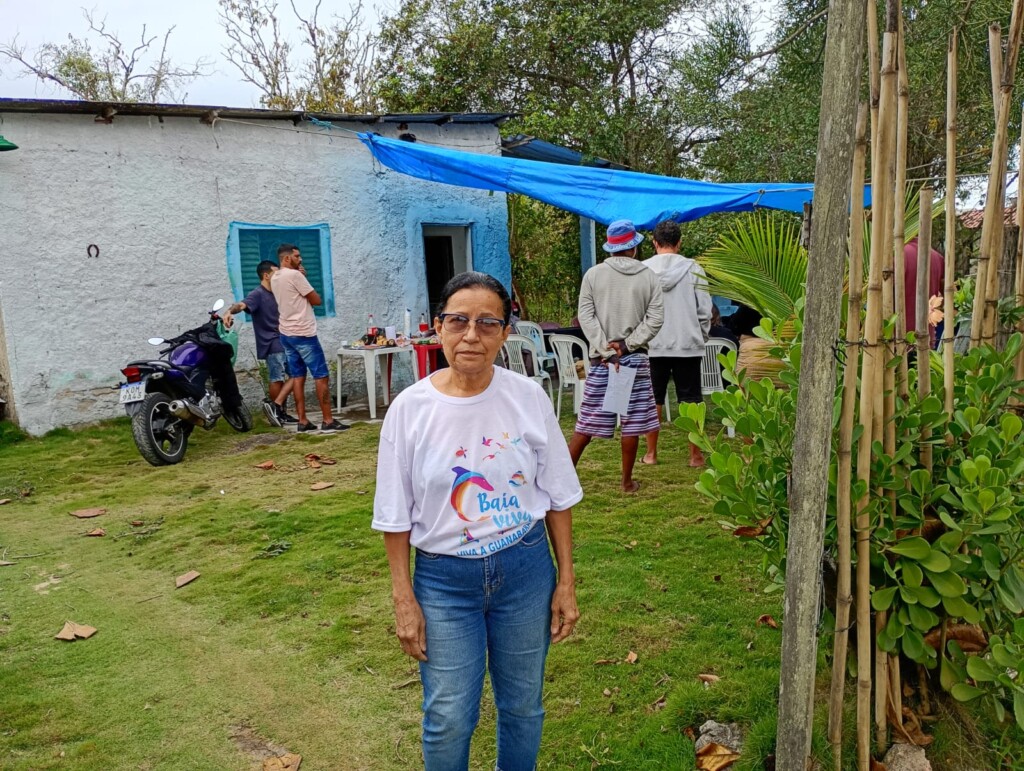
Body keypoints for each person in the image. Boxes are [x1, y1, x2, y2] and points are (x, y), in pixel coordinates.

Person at [373, 271, 582, 771]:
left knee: (523, 705)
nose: (471, 335)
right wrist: (404, 598)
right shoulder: (410, 410)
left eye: (488, 323)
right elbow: (394, 516)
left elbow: (559, 497)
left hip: (525, 571)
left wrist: (566, 581)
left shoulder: (528, 398)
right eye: (458, 321)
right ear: (438, 327)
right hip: (444, 581)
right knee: (447, 714)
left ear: (506, 332)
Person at [569, 219, 664, 493]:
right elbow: (655, 319)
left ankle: (562, 478)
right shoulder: (649, 277)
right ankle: (626, 482)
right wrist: (627, 345)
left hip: (602, 360)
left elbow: (586, 316)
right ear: (634, 247)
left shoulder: (593, 275)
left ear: (610, 247)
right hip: (635, 358)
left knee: (586, 423)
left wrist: (605, 348)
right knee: (632, 424)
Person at [641, 220, 711, 467]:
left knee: (654, 398)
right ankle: (696, 455)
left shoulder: (642, 270)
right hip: (687, 342)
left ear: (654, 242)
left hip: (653, 344)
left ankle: (651, 453)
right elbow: (705, 309)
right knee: (691, 400)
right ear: (679, 242)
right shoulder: (694, 268)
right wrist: (700, 336)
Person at [270, 243, 347, 433]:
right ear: (287, 258)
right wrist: (303, 278)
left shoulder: (275, 277)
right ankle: (328, 420)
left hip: (286, 332)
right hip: (303, 332)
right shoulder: (295, 276)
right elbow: (316, 300)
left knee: (298, 376)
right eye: (297, 256)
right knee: (321, 376)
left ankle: (303, 420)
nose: (300, 259)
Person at [223, 260, 297, 428]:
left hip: (287, 340)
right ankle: (277, 411)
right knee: (277, 378)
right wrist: (229, 311)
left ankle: (278, 409)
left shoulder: (278, 292)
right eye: (276, 274)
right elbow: (242, 304)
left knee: (298, 374)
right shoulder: (258, 294)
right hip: (272, 343)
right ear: (266, 275)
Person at [904, 236, 944, 348]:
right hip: (926, 339)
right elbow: (949, 295)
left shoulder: (896, 255)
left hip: (895, 341)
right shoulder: (936, 256)